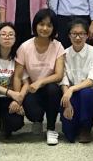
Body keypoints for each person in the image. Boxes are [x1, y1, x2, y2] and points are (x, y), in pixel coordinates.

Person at [12, 9, 65, 145]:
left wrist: (40, 82)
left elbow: (59, 75)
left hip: (50, 88)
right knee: (33, 113)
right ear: (35, 25)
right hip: (31, 89)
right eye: (41, 24)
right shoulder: (24, 47)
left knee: (53, 89)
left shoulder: (58, 46)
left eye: (49, 25)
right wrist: (17, 99)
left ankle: (51, 128)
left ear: (54, 28)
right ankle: (38, 120)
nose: (45, 28)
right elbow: (17, 76)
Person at [60, 18, 93, 143]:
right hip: (70, 94)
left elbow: (92, 80)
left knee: (86, 93)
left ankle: (86, 127)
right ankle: (74, 124)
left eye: (81, 34)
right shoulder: (64, 54)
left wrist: (72, 89)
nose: (78, 37)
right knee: (69, 135)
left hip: (87, 93)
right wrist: (67, 100)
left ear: (87, 35)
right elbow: (63, 79)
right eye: (74, 34)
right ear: (69, 35)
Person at [0, 22, 25, 139]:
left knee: (15, 123)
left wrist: (18, 100)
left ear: (15, 38)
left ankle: (5, 125)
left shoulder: (17, 59)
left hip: (9, 99)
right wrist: (11, 93)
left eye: (11, 35)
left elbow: (26, 83)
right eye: (3, 34)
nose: (7, 37)